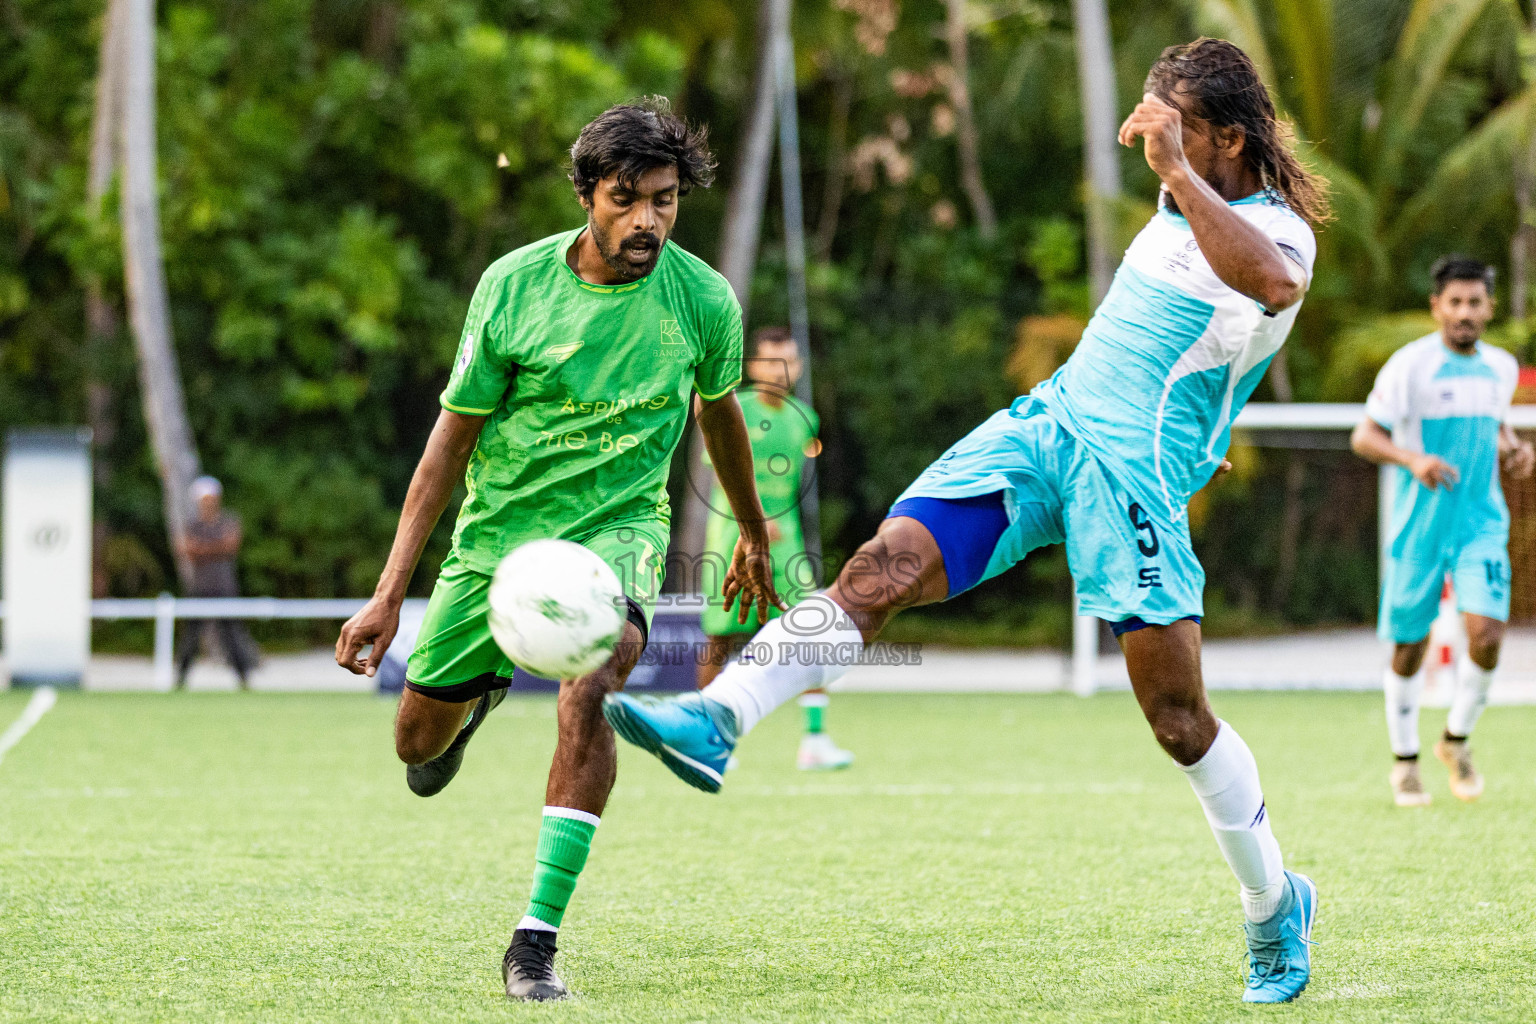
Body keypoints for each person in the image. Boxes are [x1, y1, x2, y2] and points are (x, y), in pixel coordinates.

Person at [604, 39, 1328, 1004]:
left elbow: (1271, 289)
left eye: (1178, 123)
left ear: (1230, 137)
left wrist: (1177, 175)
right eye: (1149, 119)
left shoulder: (1272, 227)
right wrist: (1180, 174)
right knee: (880, 568)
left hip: (1132, 479)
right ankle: (719, 717)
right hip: (1047, 427)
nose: (1152, 140)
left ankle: (1274, 905)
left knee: (1178, 720)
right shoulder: (1179, 197)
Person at [334, 99, 780, 1001]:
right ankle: (479, 696)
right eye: (628, 199)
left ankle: (533, 943)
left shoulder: (701, 300)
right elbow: (448, 446)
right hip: (497, 543)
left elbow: (720, 416)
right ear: (587, 194)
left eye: (665, 200)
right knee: (416, 751)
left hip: (620, 532)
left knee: (597, 681)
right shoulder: (512, 287)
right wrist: (388, 593)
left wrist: (756, 532)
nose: (648, 220)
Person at [1350, 256, 1534, 807]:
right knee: (1410, 646)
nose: (1464, 312)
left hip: (1480, 524)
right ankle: (1405, 760)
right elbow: (1364, 436)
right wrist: (1412, 460)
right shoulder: (1410, 367)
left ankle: (1455, 740)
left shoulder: (1500, 368)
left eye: (1475, 302)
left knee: (1487, 636)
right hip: (1419, 528)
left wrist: (1513, 449)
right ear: (1436, 307)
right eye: (1454, 302)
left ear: (1489, 309)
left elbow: (1494, 424)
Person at [697, 325, 852, 770]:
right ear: (753, 366)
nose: (780, 371)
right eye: (770, 360)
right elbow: (724, 480)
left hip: (788, 545)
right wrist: (757, 523)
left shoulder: (805, 418)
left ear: (798, 366)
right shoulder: (731, 410)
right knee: (720, 637)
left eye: (788, 361)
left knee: (814, 633)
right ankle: (708, 740)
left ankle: (816, 742)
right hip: (732, 537)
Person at [175, 476, 256, 690]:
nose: (208, 503)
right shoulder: (192, 524)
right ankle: (180, 679)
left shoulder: (228, 520)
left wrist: (202, 549)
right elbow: (185, 549)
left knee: (232, 634)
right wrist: (215, 547)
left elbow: (231, 544)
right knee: (190, 636)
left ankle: (243, 678)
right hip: (199, 587)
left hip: (224, 586)